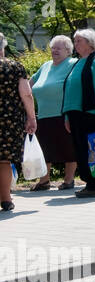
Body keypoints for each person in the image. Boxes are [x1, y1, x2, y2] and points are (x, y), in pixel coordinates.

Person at [61, 29, 95, 198]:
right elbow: (69, 90)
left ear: (90, 43)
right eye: (74, 41)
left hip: (90, 114)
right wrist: (67, 116)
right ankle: (90, 183)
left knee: (90, 151)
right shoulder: (78, 62)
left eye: (79, 41)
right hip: (76, 114)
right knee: (81, 150)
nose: (75, 44)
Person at [29, 35, 78, 191]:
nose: (54, 50)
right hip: (43, 115)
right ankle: (44, 180)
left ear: (68, 51)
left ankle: (69, 180)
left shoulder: (73, 64)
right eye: (53, 47)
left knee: (68, 147)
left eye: (59, 48)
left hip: (65, 113)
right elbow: (31, 83)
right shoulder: (46, 65)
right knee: (44, 149)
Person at [0, 33, 39, 212]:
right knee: (4, 161)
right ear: (4, 46)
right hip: (9, 121)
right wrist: (31, 117)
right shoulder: (15, 67)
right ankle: (6, 200)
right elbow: (26, 94)